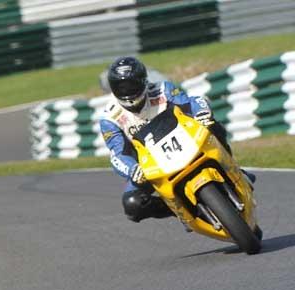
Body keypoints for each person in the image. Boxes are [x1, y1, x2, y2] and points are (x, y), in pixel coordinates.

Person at [99, 56, 256, 224]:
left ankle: (234, 169)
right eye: (121, 86)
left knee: (212, 125)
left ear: (143, 80)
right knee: (132, 205)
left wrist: (201, 114)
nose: (127, 91)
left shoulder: (163, 90)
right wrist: (132, 170)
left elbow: (191, 103)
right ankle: (179, 209)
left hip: (185, 142)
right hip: (149, 165)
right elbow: (117, 155)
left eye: (131, 84)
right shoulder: (110, 118)